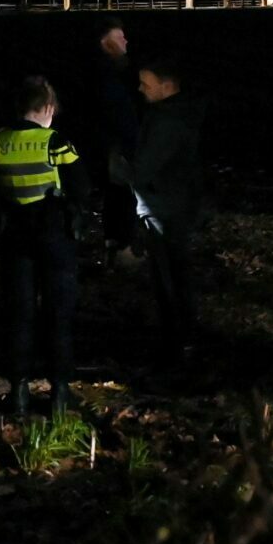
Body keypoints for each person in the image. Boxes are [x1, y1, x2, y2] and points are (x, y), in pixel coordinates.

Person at [0, 75, 81, 417]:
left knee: (20, 313)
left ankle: (19, 392)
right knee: (59, 314)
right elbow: (80, 184)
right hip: (53, 233)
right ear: (47, 108)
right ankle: (59, 392)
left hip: (15, 234)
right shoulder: (54, 142)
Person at [131, 55, 205, 373]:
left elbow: (144, 168)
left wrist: (123, 169)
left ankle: (179, 347)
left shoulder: (165, 122)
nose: (140, 89)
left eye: (146, 84)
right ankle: (183, 342)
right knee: (177, 278)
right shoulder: (181, 115)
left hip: (164, 210)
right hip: (178, 207)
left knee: (170, 281)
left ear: (166, 86)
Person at [93, 24, 141, 259]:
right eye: (119, 37)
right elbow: (115, 113)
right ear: (105, 43)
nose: (125, 41)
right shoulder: (107, 74)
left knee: (117, 194)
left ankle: (115, 244)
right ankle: (123, 249)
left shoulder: (113, 71)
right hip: (116, 145)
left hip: (113, 144)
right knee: (122, 194)